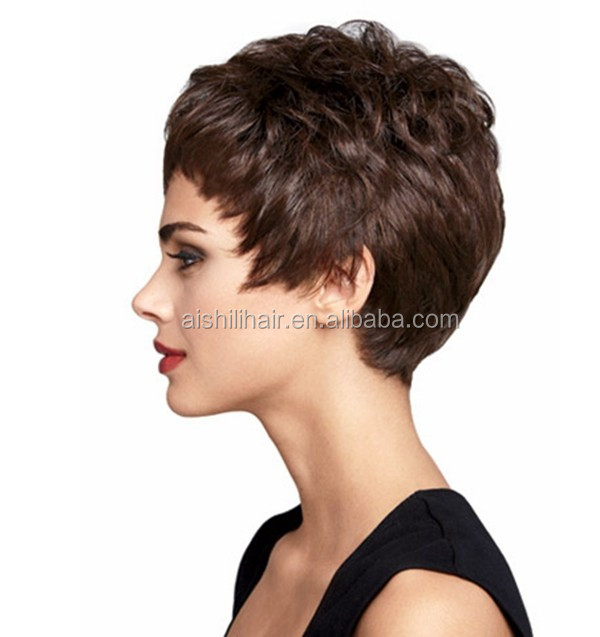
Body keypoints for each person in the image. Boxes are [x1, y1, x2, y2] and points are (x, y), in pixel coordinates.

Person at [132, 19, 533, 637]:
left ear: (339, 281)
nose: (147, 299)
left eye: (189, 257)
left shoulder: (429, 612)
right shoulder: (276, 557)